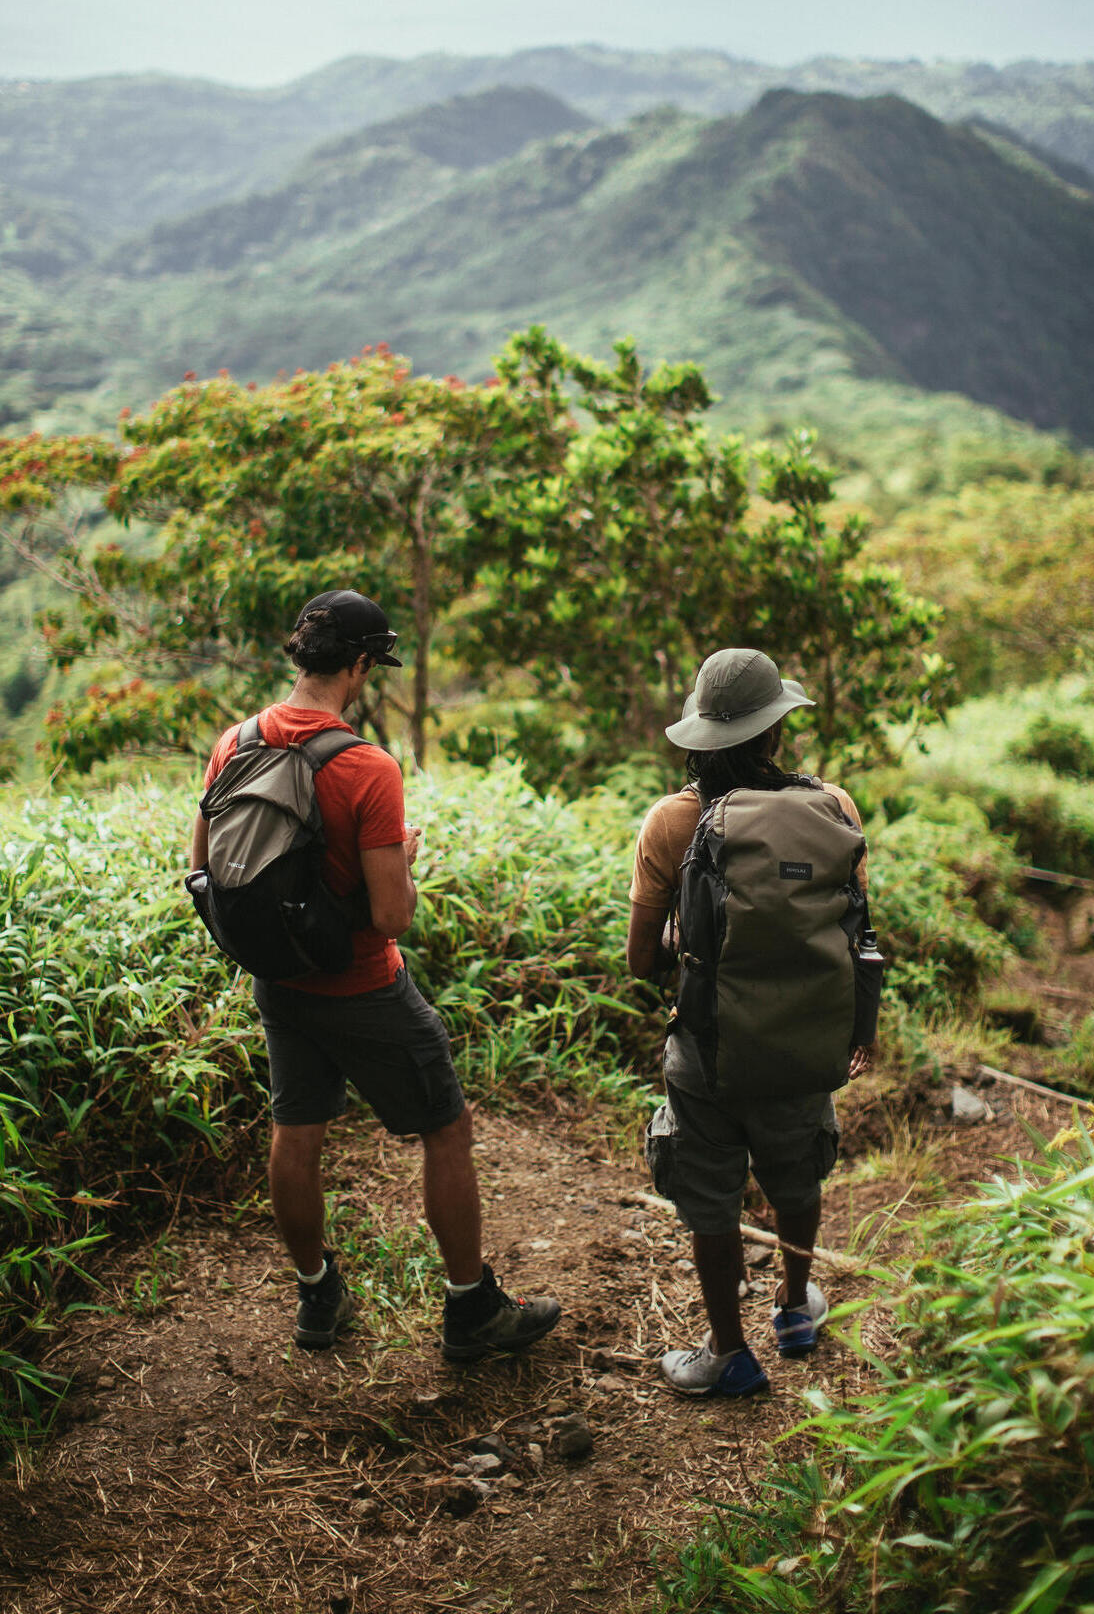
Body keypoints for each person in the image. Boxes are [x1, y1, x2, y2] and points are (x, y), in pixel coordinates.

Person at [192, 589, 561, 1361]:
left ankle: (318, 1295)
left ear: (301, 655)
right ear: (359, 665)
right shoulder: (365, 766)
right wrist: (405, 859)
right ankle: (471, 1311)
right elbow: (393, 917)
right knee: (446, 1128)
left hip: (278, 980)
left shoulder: (235, 742)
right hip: (363, 985)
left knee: (297, 1132)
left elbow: (202, 867)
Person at [625, 647, 877, 1398]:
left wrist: (684, 942)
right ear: (776, 733)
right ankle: (796, 1309)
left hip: (707, 1051)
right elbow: (856, 935)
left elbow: (641, 960)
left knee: (709, 1192)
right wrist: (857, 1030)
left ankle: (729, 1352)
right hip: (804, 1041)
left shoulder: (673, 820)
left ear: (700, 734)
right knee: (796, 1171)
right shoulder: (833, 809)